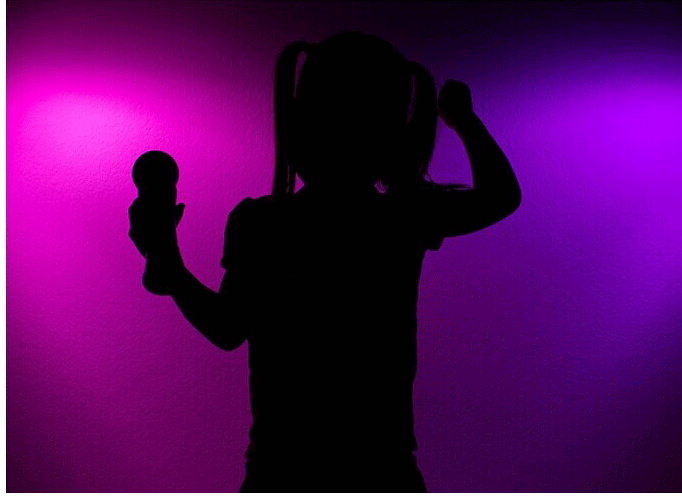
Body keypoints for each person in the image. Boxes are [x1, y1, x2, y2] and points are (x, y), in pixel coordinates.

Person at [129, 31, 521, 493]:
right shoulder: (401, 215)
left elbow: (227, 328)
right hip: (378, 466)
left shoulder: (264, 221)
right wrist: (462, 120)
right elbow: (500, 196)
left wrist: (170, 265)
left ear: (301, 120)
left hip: (284, 466)